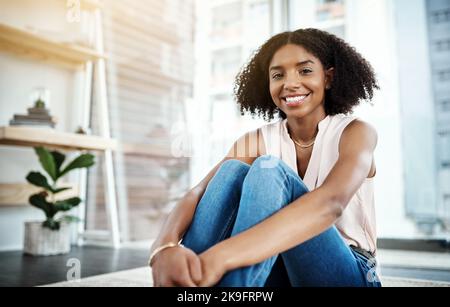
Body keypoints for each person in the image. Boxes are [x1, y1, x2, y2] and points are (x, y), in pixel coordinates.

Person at [149, 28, 381, 287]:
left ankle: (228, 286)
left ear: (327, 78)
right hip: (278, 266)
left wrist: (221, 257)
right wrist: (164, 247)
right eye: (278, 75)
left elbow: (331, 203)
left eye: (305, 71)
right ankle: (186, 278)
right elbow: (198, 192)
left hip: (346, 268)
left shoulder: (355, 132)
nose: (290, 83)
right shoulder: (257, 139)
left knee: (268, 168)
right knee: (232, 171)